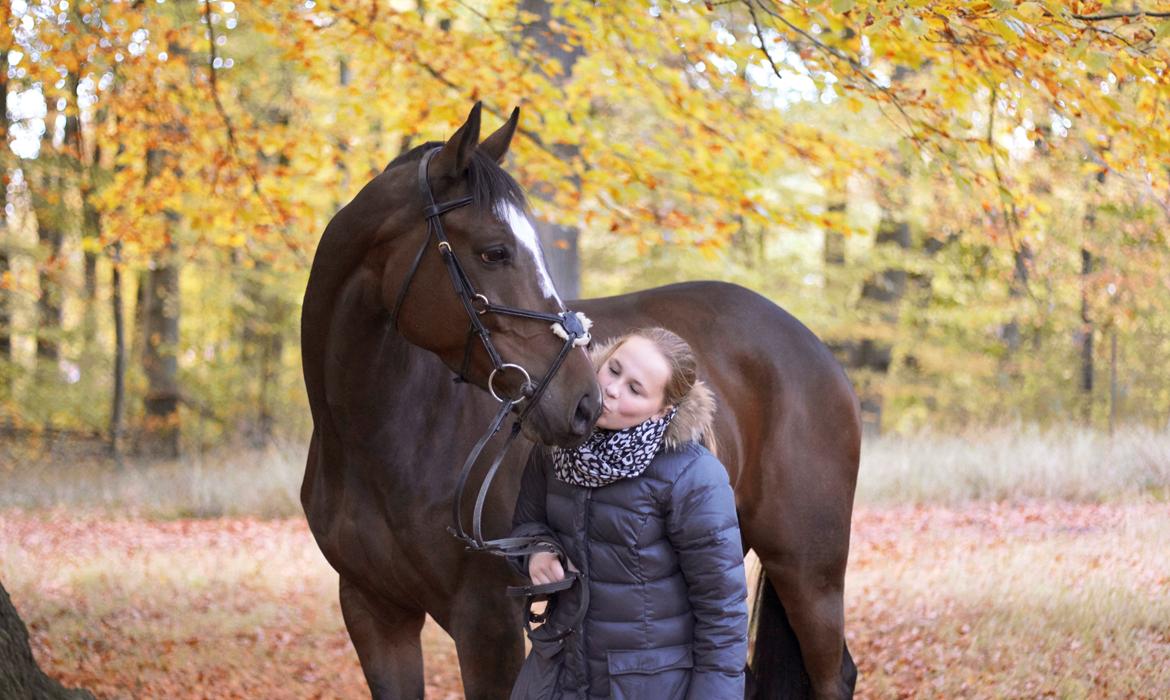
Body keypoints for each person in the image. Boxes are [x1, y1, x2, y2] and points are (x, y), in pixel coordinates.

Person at [508, 327, 748, 699]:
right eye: (614, 369)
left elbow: (723, 615)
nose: (614, 389)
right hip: (558, 676)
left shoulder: (694, 476)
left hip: (648, 686)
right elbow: (525, 527)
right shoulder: (558, 445)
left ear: (663, 410)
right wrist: (538, 551)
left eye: (636, 389)